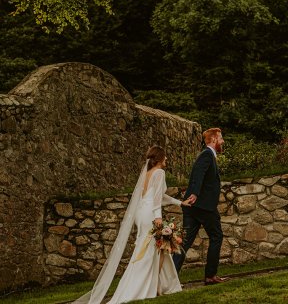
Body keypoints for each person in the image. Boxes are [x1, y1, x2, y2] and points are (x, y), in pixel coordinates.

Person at [72, 145, 191, 304]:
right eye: (165, 157)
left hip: (141, 213)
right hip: (150, 214)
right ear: (159, 158)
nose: (167, 159)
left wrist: (180, 203)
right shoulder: (160, 172)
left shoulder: (147, 173)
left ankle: (160, 285)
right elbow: (156, 199)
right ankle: (139, 287)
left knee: (156, 249)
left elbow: (159, 196)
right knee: (150, 250)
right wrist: (158, 217)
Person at [173, 127, 228, 286]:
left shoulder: (209, 155)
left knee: (185, 243)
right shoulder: (206, 155)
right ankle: (210, 276)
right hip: (203, 206)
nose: (223, 141)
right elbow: (198, 174)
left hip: (194, 207)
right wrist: (195, 193)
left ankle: (170, 279)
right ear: (213, 140)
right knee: (216, 236)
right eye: (221, 138)